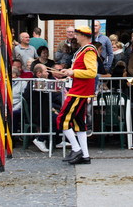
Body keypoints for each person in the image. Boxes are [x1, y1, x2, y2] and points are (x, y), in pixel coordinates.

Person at [57, 26, 97, 165]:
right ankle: (85, 155)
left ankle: (76, 148)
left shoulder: (89, 50)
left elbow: (92, 72)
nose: (75, 37)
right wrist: (69, 71)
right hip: (79, 89)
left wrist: (73, 73)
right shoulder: (84, 50)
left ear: (84, 36)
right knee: (79, 124)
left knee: (62, 120)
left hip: (79, 91)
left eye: (78, 34)